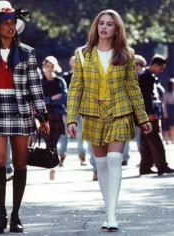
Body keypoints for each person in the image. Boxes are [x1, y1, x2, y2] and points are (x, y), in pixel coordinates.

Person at [67, 9, 152, 231]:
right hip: (93, 113)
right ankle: (108, 210)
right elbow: (76, 88)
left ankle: (112, 215)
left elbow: (133, 89)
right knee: (101, 164)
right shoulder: (83, 54)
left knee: (115, 161)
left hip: (120, 112)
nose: (104, 27)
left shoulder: (126, 54)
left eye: (109, 24)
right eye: (101, 23)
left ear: (117, 29)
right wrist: (71, 119)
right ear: (96, 27)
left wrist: (143, 118)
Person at [0, 1, 49, 234]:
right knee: (0, 162)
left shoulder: (27, 53)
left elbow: (35, 85)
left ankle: (16, 215)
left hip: (21, 109)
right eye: (7, 23)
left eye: (14, 22)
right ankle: (1, 214)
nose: (11, 26)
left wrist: (42, 116)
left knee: (21, 163)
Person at [138, 54, 174, 176]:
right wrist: (149, 113)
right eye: (161, 67)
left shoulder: (148, 76)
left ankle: (145, 166)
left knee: (146, 141)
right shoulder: (145, 77)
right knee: (155, 140)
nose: (161, 70)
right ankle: (162, 165)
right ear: (154, 65)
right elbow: (145, 98)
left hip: (147, 113)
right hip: (148, 114)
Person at [162, 78, 174, 144]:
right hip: (168, 109)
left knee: (173, 126)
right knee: (166, 126)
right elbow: (164, 103)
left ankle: (172, 140)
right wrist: (165, 112)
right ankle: (166, 140)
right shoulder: (166, 93)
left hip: (173, 110)